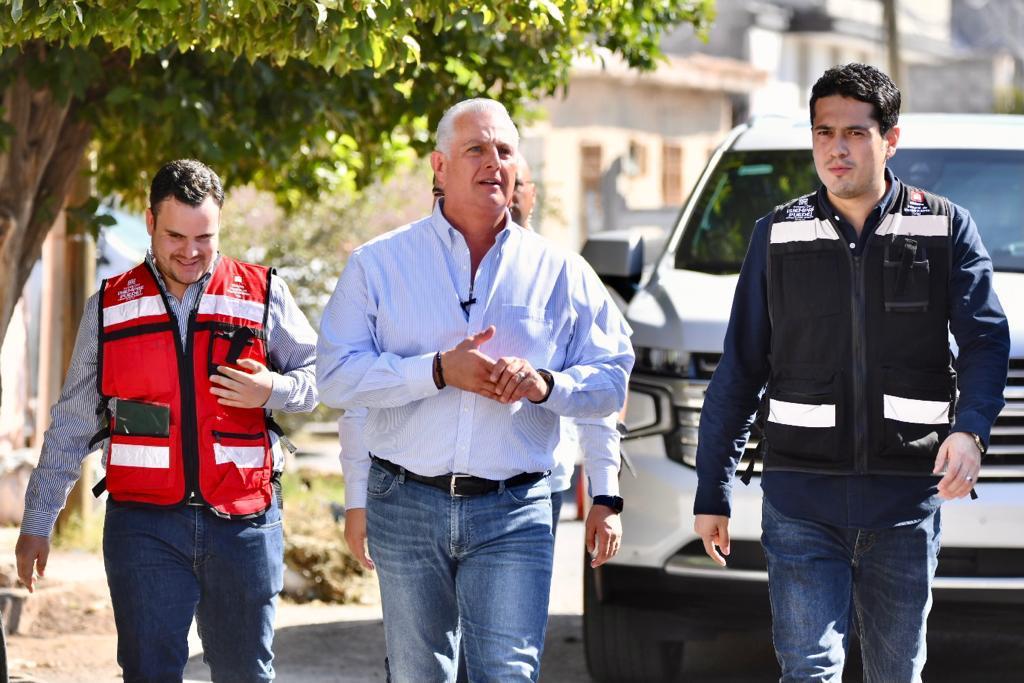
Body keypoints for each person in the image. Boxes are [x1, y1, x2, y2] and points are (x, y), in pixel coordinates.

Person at [693, 63, 1009, 682]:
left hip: (904, 502)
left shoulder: (945, 227)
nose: (837, 148)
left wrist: (971, 430)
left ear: (891, 140)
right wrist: (713, 489)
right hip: (800, 501)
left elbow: (985, 342)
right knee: (808, 672)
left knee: (896, 673)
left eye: (856, 133)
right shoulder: (776, 235)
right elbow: (740, 368)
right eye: (824, 132)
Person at [318, 98, 633, 682]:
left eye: (505, 150)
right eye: (476, 149)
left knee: (508, 674)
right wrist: (437, 371)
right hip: (405, 503)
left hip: (515, 508)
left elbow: (612, 377)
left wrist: (546, 385)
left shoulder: (561, 271)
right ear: (439, 166)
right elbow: (336, 376)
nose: (494, 162)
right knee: (418, 675)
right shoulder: (378, 264)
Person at [15, 159, 319, 682]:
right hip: (143, 528)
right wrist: (37, 523)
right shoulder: (108, 307)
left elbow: (321, 376)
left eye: (205, 237)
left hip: (243, 522)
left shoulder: (262, 293)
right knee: (148, 673)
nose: (191, 251)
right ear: (150, 221)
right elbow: (72, 423)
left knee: (247, 674)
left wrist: (274, 388)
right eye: (176, 235)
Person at [508, 154, 622, 536]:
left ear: (533, 195)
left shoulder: (563, 272)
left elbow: (597, 390)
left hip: (540, 485)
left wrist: (605, 493)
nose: (506, 194)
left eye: (516, 184)